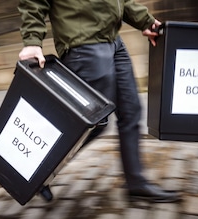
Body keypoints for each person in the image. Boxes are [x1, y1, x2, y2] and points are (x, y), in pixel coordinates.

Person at [18, 0, 181, 203]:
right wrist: (32, 40)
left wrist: (144, 21)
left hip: (114, 41)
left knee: (131, 112)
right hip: (83, 43)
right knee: (93, 123)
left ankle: (136, 183)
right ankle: (34, 171)